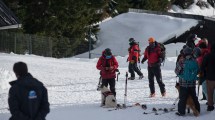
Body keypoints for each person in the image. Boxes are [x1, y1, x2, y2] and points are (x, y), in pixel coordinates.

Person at [175, 46, 200, 116]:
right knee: (194, 96)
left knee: (182, 97)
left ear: (184, 53)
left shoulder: (181, 61)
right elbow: (198, 71)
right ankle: (197, 109)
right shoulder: (195, 61)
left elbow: (176, 71)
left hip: (183, 84)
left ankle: (181, 112)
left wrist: (181, 75)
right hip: (192, 83)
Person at [200, 43, 215, 111]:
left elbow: (203, 66)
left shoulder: (208, 55)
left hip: (210, 77)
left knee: (210, 92)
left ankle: (210, 106)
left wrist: (202, 72)